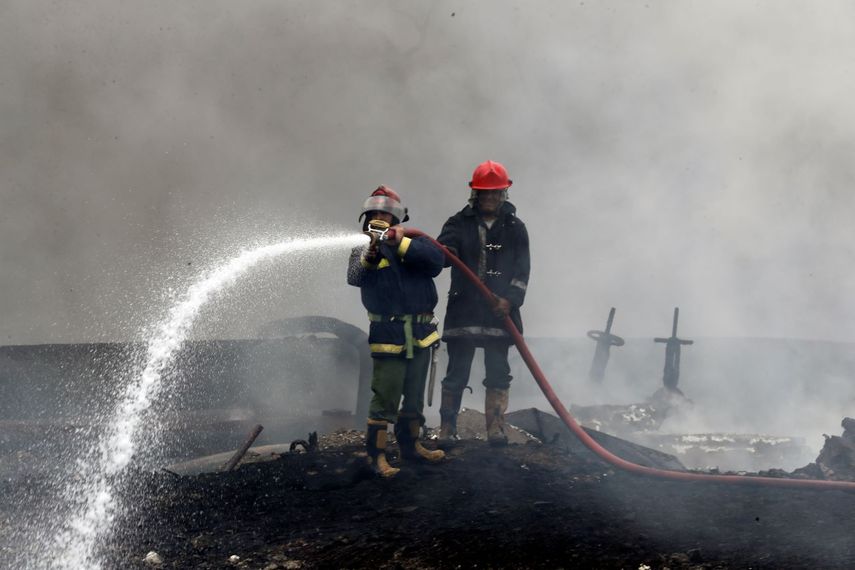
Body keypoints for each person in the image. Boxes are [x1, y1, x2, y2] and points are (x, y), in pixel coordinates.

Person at [347, 185, 446, 477]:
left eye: (386, 214)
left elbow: (436, 263)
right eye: (374, 214)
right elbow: (354, 276)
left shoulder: (417, 242)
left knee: (414, 397)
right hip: (388, 335)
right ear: (366, 218)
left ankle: (411, 447)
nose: (380, 218)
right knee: (385, 398)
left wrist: (401, 243)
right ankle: (377, 456)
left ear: (397, 219)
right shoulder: (361, 248)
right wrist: (371, 252)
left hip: (420, 333)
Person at [437, 160, 530, 447]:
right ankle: (447, 429)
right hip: (464, 312)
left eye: (494, 193)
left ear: (503, 194)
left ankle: (496, 429)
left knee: (498, 373)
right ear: (475, 194)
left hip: (498, 315)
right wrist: (448, 250)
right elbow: (443, 252)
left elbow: (522, 271)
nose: (489, 197)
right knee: (456, 373)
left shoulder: (515, 228)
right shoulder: (458, 223)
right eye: (484, 193)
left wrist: (510, 301)